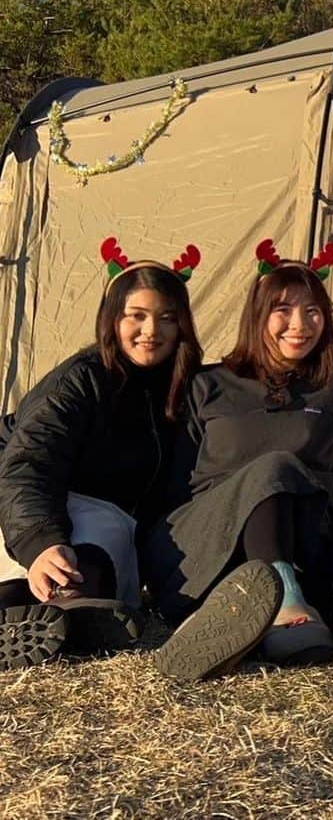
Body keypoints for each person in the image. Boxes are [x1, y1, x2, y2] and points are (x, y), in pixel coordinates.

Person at [149, 239, 333, 682]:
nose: (299, 325)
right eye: (282, 310)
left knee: (278, 469)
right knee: (271, 468)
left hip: (301, 534)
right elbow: (176, 485)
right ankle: (273, 603)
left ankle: (241, 608)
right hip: (207, 537)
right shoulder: (206, 385)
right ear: (258, 315)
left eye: (313, 311)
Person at [0, 237, 203, 669]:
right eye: (137, 316)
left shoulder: (188, 387)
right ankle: (64, 608)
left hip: (107, 513)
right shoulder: (79, 380)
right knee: (86, 538)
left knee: (106, 535)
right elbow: (29, 463)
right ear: (113, 319)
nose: (151, 331)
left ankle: (49, 614)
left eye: (167, 318)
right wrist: (41, 542)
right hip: (28, 493)